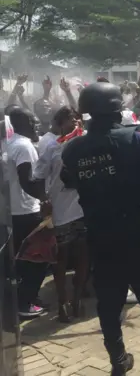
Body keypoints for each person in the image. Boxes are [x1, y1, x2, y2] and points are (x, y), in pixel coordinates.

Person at [60, 82, 140, 376]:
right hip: (138, 236)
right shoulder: (133, 138)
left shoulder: (73, 149)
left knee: (109, 303)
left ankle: (118, 361)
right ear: (117, 110)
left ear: (86, 113)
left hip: (102, 240)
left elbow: (69, 180)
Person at [20, 106, 89, 323]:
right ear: (60, 123)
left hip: (84, 210)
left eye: (76, 119)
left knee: (84, 258)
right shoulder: (51, 147)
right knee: (60, 260)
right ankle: (62, 304)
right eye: (70, 119)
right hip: (60, 213)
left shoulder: (86, 142)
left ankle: (77, 300)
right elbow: (38, 177)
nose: (74, 122)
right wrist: (44, 200)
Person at [6, 107, 48, 319]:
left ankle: (26, 298)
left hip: (15, 210)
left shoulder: (12, 143)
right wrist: (45, 199)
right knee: (37, 259)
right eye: (34, 121)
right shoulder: (24, 146)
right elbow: (27, 180)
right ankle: (25, 302)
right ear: (26, 123)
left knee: (21, 260)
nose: (37, 125)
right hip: (27, 210)